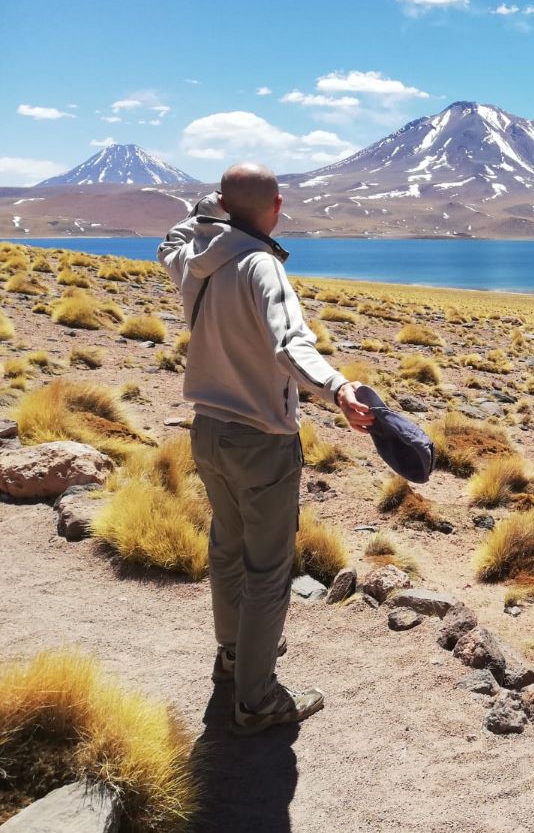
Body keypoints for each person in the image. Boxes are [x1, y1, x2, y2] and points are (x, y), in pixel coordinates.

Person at [158, 162, 373, 735]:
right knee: (269, 572)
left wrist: (212, 207)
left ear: (224, 206)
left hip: (208, 432)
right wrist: (338, 387)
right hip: (260, 441)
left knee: (227, 549)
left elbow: (171, 239)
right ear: (276, 207)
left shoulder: (194, 259)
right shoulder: (261, 267)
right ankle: (256, 700)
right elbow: (289, 344)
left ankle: (232, 657)